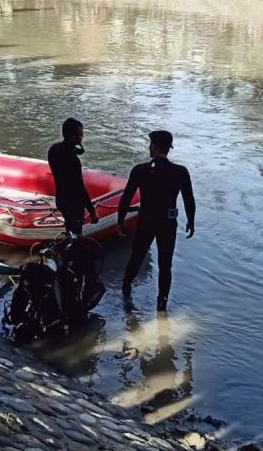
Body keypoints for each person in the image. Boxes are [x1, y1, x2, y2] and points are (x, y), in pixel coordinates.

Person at [117, 130, 195, 312]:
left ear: (153, 146)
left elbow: (126, 197)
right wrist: (191, 221)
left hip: (146, 220)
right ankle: (162, 303)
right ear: (169, 149)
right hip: (168, 224)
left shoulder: (139, 170)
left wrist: (120, 220)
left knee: (136, 257)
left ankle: (126, 290)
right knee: (165, 264)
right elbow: (189, 199)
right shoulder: (180, 172)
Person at [48, 118, 99, 236]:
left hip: (61, 199)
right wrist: (92, 212)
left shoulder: (53, 150)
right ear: (74, 138)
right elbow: (80, 188)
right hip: (74, 204)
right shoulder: (73, 160)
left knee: (69, 229)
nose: (82, 138)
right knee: (76, 235)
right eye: (80, 135)